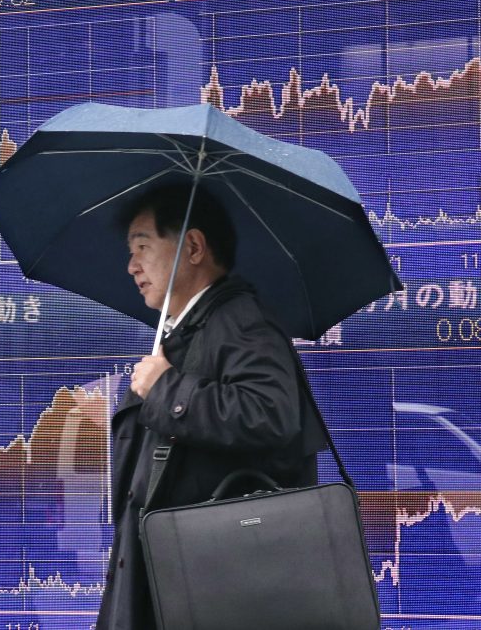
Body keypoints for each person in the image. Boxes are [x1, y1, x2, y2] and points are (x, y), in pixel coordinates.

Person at [96, 187, 327, 630]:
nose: (132, 266)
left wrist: (165, 389)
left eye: (143, 246)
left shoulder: (241, 321)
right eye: (131, 251)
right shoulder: (190, 330)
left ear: (194, 247)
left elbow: (270, 414)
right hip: (185, 583)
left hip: (215, 589)